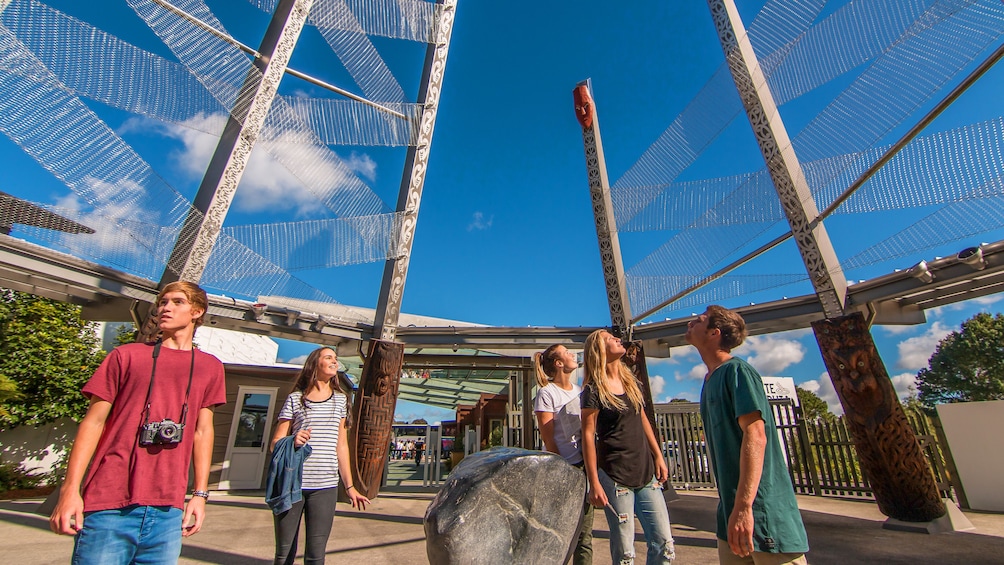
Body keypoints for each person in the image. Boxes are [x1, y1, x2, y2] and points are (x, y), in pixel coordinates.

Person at [49, 281, 227, 564]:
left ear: (197, 311)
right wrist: (70, 491)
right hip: (109, 505)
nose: (165, 307)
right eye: (163, 302)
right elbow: (92, 424)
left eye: (177, 302)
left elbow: (203, 431)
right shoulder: (126, 356)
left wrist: (200, 495)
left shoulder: (210, 367)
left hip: (168, 511)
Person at [684, 305, 809, 565]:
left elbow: (756, 436)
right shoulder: (710, 380)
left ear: (713, 333)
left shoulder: (738, 372)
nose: (691, 322)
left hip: (762, 514)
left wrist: (745, 508)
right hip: (731, 513)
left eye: (699, 320)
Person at [580, 329, 675, 564]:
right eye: (608, 338)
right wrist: (594, 482)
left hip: (646, 474)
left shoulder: (631, 381)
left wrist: (658, 456)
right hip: (615, 477)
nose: (616, 338)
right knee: (625, 553)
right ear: (599, 349)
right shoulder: (593, 391)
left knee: (664, 544)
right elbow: (588, 436)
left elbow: (643, 419)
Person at [269, 347, 369, 565]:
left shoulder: (341, 401)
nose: (334, 361)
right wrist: (292, 440)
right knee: (284, 553)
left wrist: (349, 487)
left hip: (325, 486)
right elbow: (274, 443)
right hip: (291, 483)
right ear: (315, 365)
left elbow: (341, 445)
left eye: (335, 358)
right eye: (328, 357)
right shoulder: (296, 399)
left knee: (316, 555)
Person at [533, 344, 594, 565]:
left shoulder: (581, 391)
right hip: (560, 470)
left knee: (584, 534)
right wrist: (562, 470)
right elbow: (549, 439)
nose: (573, 355)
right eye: (567, 353)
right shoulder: (546, 393)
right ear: (559, 363)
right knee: (557, 531)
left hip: (583, 467)